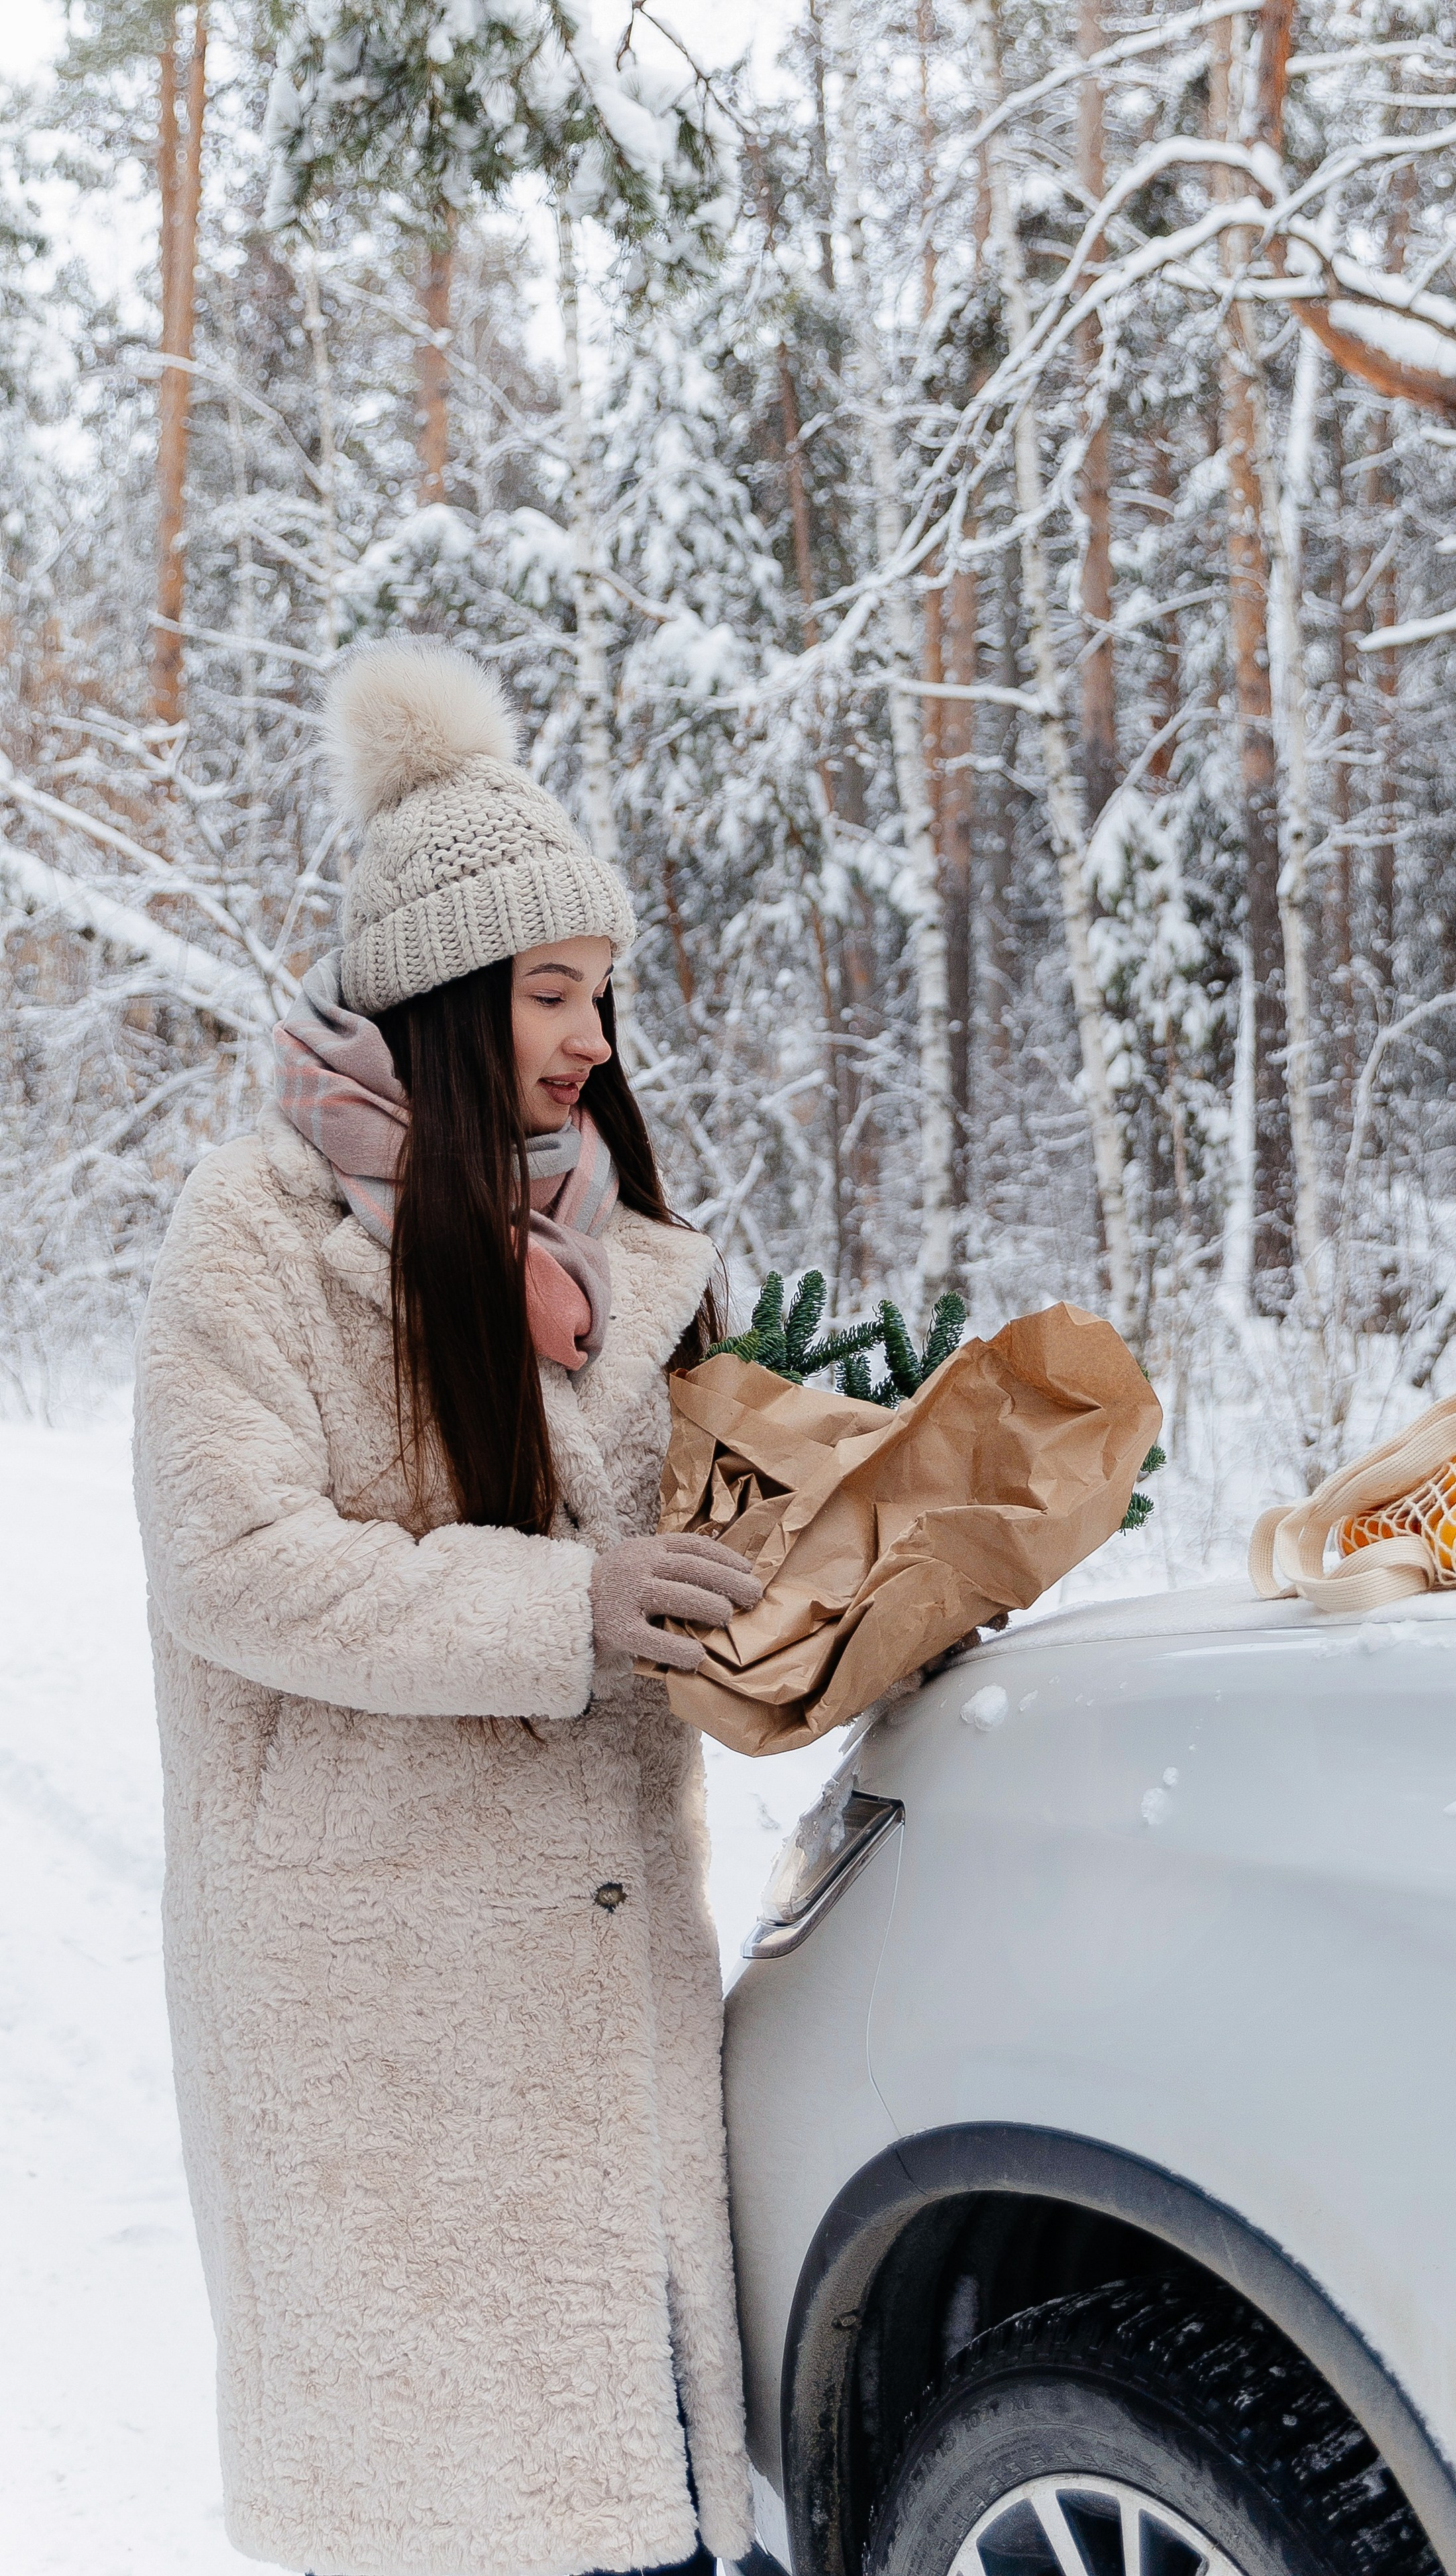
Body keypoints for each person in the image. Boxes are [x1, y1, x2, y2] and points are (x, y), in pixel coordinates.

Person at [132, 639, 764, 2576]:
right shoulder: (254, 1231)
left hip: (602, 1983)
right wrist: (565, 1609)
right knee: (453, 2513)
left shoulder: (636, 1261)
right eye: (551, 991)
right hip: (375, 2001)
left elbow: (696, 1571)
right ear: (446, 992)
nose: (589, 1034)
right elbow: (232, 1563)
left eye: (603, 992)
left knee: (651, 2506)